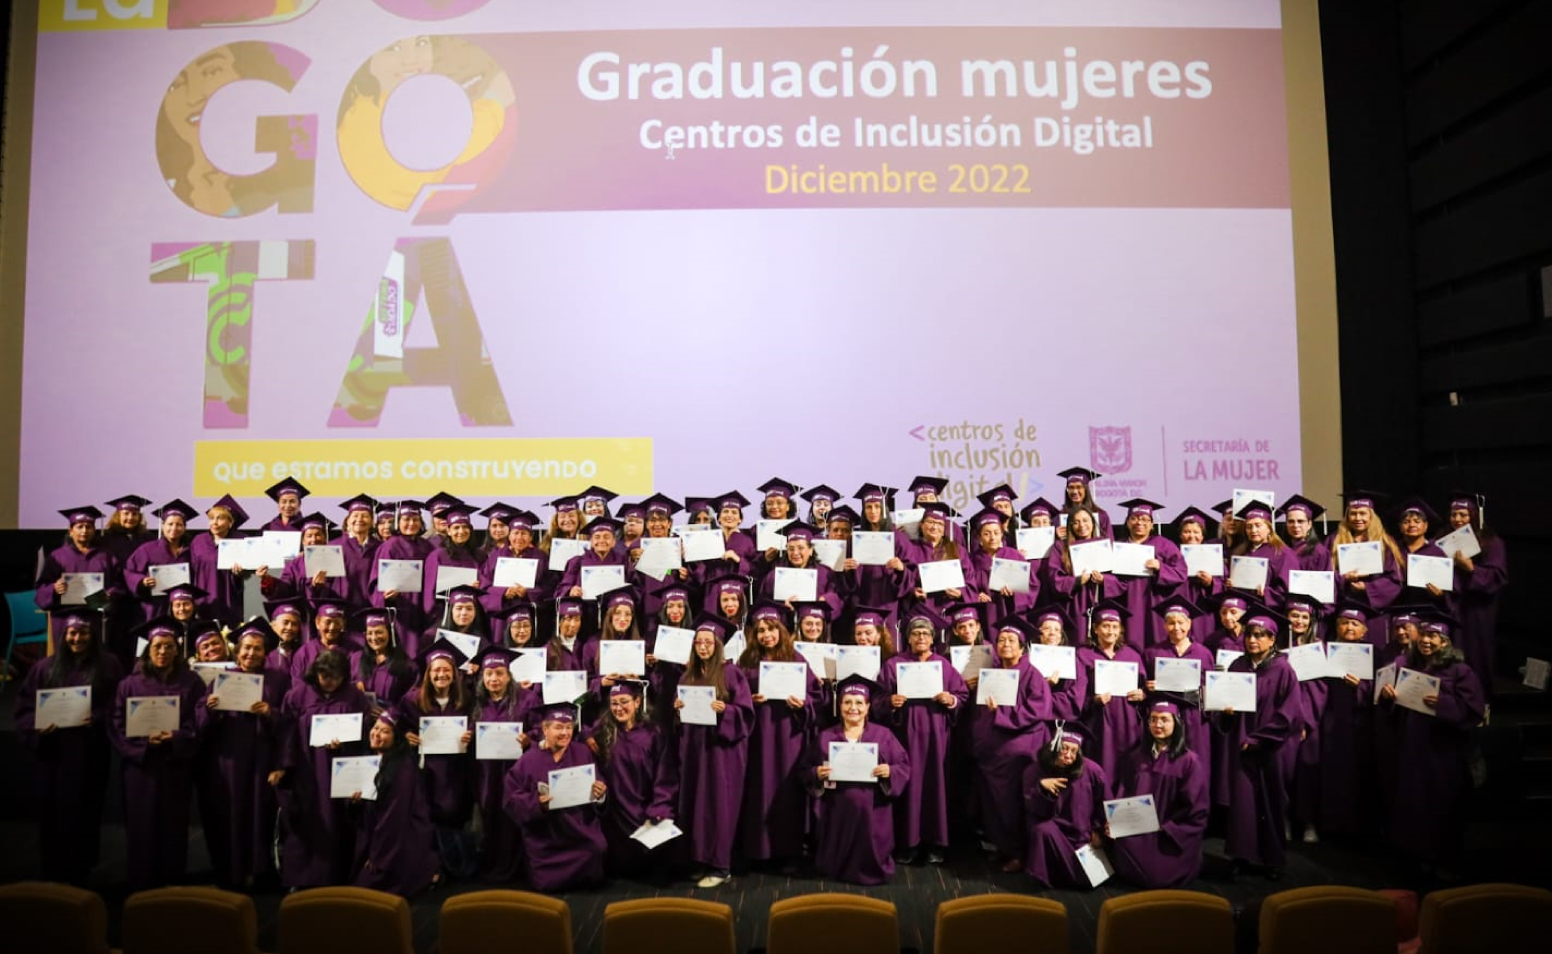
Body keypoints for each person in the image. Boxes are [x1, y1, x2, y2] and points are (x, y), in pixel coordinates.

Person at [13, 612, 123, 885]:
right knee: (53, 811)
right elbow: (25, 708)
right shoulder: (45, 667)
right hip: (54, 754)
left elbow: (118, 704)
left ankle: (83, 867)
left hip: (90, 750)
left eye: (83, 633)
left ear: (93, 635)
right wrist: (37, 728)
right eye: (72, 633)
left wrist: (96, 718)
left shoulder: (108, 665)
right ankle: (53, 869)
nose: (77, 638)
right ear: (63, 636)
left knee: (88, 808)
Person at [1379, 612, 1485, 879]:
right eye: (1424, 635)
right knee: (1412, 800)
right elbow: (1396, 705)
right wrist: (1389, 696)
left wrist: (1444, 704)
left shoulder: (1460, 671)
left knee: (1440, 804)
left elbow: (1473, 711)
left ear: (1446, 641)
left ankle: (1442, 859)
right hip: (1412, 746)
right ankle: (1414, 856)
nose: (1426, 641)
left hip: (1442, 751)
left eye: (1433, 636)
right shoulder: (1409, 665)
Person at [109, 618, 208, 890]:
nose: (163, 651)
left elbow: (199, 719)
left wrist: (175, 738)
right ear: (148, 650)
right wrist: (141, 745)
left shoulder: (191, 682)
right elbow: (116, 725)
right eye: (157, 646)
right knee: (141, 824)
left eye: (168, 646)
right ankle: (141, 880)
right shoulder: (129, 684)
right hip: (141, 768)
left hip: (175, 764)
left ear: (177, 649)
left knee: (174, 824)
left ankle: (173, 878)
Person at [197, 617, 291, 888]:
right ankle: (232, 871)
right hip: (229, 760)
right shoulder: (221, 680)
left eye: (257, 649)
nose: (251, 653)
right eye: (246, 648)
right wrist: (209, 709)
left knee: (259, 815)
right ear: (237, 651)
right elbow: (201, 721)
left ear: (266, 653)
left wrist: (269, 713)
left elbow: (288, 722)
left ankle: (260, 871)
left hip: (262, 759)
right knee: (230, 815)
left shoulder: (278, 680)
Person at [1214, 606, 1302, 880]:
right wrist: (1225, 714)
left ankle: (1272, 860)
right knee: (1243, 803)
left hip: (1272, 748)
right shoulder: (1237, 665)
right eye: (1250, 634)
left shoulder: (1283, 669)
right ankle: (1242, 855)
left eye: (1260, 635)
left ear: (1272, 639)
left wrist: (1258, 739)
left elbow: (1289, 713)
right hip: (1242, 746)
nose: (1253, 640)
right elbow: (1223, 706)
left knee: (1271, 801)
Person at [735, 601, 823, 871]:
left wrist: (803, 703)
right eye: (760, 630)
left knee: (786, 793)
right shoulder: (746, 661)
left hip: (788, 737)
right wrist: (749, 699)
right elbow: (734, 696)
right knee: (758, 792)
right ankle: (757, 852)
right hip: (759, 738)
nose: (766, 635)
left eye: (771, 629)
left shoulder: (796, 659)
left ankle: (788, 852)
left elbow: (817, 696)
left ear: (781, 630)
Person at [878, 610, 967, 865]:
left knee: (934, 787)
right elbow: (877, 700)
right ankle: (908, 843)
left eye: (925, 634)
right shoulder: (894, 665)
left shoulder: (943, 666)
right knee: (908, 787)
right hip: (904, 737)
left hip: (936, 738)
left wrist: (951, 700)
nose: (920, 637)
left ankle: (934, 843)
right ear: (908, 638)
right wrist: (890, 701)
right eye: (915, 633)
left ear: (932, 639)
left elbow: (961, 695)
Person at [275, 648, 370, 889]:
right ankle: (303, 878)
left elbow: (364, 731)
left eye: (337, 677)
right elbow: (287, 733)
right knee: (308, 821)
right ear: (315, 672)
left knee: (339, 823)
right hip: (308, 770)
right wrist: (284, 766)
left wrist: (346, 743)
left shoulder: (353, 697)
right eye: (325, 676)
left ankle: (339, 876)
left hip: (341, 768)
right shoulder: (297, 695)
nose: (330, 682)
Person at [672, 615, 754, 888]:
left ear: (718, 645)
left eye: (708, 642)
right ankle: (699, 859)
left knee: (719, 806)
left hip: (722, 753)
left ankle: (720, 866)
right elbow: (680, 721)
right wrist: (678, 710)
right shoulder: (688, 675)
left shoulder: (731, 673)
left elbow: (746, 714)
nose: (703, 647)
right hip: (696, 751)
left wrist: (726, 710)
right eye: (698, 642)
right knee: (695, 805)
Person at [966, 616, 1053, 872]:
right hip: (992, 751)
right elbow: (981, 713)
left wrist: (1002, 713)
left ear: (1021, 646)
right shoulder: (992, 674)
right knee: (995, 804)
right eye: (1001, 640)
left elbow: (1038, 710)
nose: (1005, 644)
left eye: (1011, 640)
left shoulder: (1032, 675)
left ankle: (1020, 853)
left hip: (1019, 751)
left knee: (1013, 803)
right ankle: (1003, 847)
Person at [808, 678, 911, 885]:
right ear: (840, 706)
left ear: (868, 707)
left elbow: (904, 766)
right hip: (837, 808)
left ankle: (871, 869)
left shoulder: (883, 735)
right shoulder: (826, 736)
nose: (852, 708)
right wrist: (817, 773)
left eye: (858, 703)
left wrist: (888, 771)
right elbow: (805, 770)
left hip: (874, 807)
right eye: (847, 702)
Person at [503, 705, 609, 892]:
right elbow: (511, 800)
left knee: (594, 849)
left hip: (578, 829)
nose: (565, 733)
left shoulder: (582, 752)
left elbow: (597, 780)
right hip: (545, 835)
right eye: (558, 727)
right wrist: (538, 804)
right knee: (546, 884)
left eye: (568, 728)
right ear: (545, 729)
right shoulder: (527, 761)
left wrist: (600, 794)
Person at [1108, 701, 1210, 888]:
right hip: (1140, 828)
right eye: (1153, 720)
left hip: (1169, 834)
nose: (1158, 725)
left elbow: (1197, 811)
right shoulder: (1137, 757)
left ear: (1176, 724)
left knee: (1157, 877)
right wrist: (1117, 821)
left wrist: (1168, 829)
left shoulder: (1189, 761)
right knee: (1126, 854)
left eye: (1164, 720)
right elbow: (1124, 792)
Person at [398, 638, 477, 879]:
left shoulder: (467, 700)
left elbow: (477, 726)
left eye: (446, 670)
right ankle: (433, 865)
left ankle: (458, 865)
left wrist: (471, 734)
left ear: (454, 674)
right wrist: (406, 736)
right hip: (427, 770)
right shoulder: (411, 701)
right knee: (428, 814)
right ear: (428, 673)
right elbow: (398, 726)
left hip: (457, 769)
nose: (441, 674)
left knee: (457, 813)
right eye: (436, 670)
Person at [593, 682, 678, 880]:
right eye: (613, 703)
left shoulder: (653, 734)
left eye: (624, 702)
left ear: (637, 702)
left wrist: (660, 807)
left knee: (659, 869)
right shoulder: (603, 733)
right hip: (616, 814)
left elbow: (665, 775)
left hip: (647, 810)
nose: (618, 708)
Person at [351, 712, 441, 894]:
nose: (376, 734)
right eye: (375, 728)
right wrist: (356, 802)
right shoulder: (373, 760)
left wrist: (378, 857)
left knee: (366, 889)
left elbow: (393, 818)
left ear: (396, 738)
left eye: (385, 732)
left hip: (398, 839)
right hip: (378, 835)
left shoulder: (403, 769)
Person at [35, 505, 129, 665]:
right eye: (79, 527)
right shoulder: (57, 557)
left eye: (89, 526)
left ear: (94, 530)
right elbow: (41, 590)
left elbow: (120, 584)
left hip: (95, 616)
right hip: (65, 618)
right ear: (71, 530)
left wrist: (110, 594)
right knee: (65, 663)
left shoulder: (106, 556)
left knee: (95, 663)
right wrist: (54, 589)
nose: (84, 530)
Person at [1023, 724, 1110, 888]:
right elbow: (1030, 808)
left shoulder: (1092, 770)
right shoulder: (1036, 770)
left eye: (1074, 751)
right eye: (1064, 749)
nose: (1069, 755)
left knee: (1087, 882)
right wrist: (1041, 788)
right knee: (1041, 831)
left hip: (1083, 837)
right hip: (1054, 834)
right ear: (1053, 747)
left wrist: (1099, 832)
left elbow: (1105, 804)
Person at [1141, 600, 1215, 783]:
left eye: (1181, 622)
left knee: (1197, 766)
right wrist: (1149, 689)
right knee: (1165, 767)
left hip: (1195, 718)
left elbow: (1211, 693)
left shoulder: (1204, 654)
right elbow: (1144, 690)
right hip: (1166, 718)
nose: (1176, 627)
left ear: (1189, 624)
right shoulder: (1152, 653)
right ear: (1164, 625)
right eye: (1171, 623)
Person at [1443, 492, 1507, 696]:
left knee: (1476, 654)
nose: (1458, 520)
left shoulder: (1491, 541)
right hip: (1451, 607)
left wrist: (1471, 568)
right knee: (1449, 655)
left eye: (1464, 514)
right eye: (1454, 515)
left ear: (1474, 515)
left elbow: (1497, 576)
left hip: (1477, 610)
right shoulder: (1443, 540)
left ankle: (1480, 704)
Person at [1078, 600, 1146, 780]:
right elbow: (1077, 692)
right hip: (1098, 722)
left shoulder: (1132, 655)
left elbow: (1144, 689)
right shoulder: (1084, 655)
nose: (1111, 631)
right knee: (1100, 764)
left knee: (1127, 768)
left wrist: (1142, 695)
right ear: (1096, 629)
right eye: (1106, 626)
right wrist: (1093, 700)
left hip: (1128, 722)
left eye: (1115, 626)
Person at [1112, 499, 1187, 648]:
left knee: (1156, 641)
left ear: (1152, 525)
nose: (1139, 522)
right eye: (1134, 518)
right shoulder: (1119, 547)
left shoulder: (1164, 545)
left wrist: (1160, 567)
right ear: (1127, 522)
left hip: (1155, 602)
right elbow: (1111, 577)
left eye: (1145, 519)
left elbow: (1181, 573)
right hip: (1127, 602)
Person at [1043, 508, 1122, 645]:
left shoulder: (1104, 545)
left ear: (1093, 522)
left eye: (1085, 520)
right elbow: (1054, 578)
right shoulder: (1061, 547)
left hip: (1100, 602)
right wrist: (1078, 581)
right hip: (1074, 605)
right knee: (1077, 642)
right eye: (1076, 522)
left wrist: (1104, 580)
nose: (1081, 525)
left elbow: (1120, 580)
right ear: (1070, 526)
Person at [371, 500, 434, 651]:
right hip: (401, 611)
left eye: (415, 519)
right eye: (406, 519)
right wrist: (385, 596)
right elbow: (376, 581)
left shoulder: (427, 546)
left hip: (424, 609)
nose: (411, 523)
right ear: (398, 522)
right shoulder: (389, 547)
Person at [1329, 491, 1404, 617]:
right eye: (1353, 514)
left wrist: (1367, 587)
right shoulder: (1334, 541)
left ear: (1371, 516)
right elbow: (1324, 574)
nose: (1358, 518)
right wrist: (1344, 578)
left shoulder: (1385, 543)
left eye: (1363, 513)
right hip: (1342, 607)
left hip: (1374, 612)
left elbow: (1394, 580)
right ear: (1347, 516)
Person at [125, 499, 197, 624]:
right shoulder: (147, 549)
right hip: (154, 608)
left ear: (185, 527)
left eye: (179, 524)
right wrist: (142, 581)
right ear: (163, 526)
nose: (174, 528)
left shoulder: (192, 550)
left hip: (183, 609)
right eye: (170, 524)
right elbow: (129, 571)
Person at [965, 506, 1041, 624]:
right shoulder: (973, 559)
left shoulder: (1014, 555)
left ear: (1002, 534)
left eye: (996, 533)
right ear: (979, 537)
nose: (993, 538)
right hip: (985, 614)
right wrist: (976, 596)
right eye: (987, 534)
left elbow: (1032, 584)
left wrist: (1015, 594)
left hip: (1011, 612)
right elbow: (967, 587)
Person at [190, 495, 251, 627]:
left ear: (231, 522)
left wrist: (238, 574)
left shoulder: (242, 540)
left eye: (220, 518)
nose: (215, 523)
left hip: (230, 599)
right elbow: (192, 570)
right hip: (203, 600)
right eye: (212, 518)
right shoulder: (198, 541)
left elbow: (249, 576)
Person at [349, 608, 418, 718]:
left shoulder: (407, 665)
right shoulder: (356, 659)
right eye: (369, 633)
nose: (374, 638)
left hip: (390, 726)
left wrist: (390, 714)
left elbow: (410, 700)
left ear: (390, 633)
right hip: (359, 722)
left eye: (379, 632)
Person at [1057, 467, 1111, 538]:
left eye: (1079, 487)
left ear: (1086, 489)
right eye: (1071, 487)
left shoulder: (1102, 516)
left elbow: (1109, 543)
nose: (1074, 492)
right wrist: (1055, 535)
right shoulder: (1059, 517)